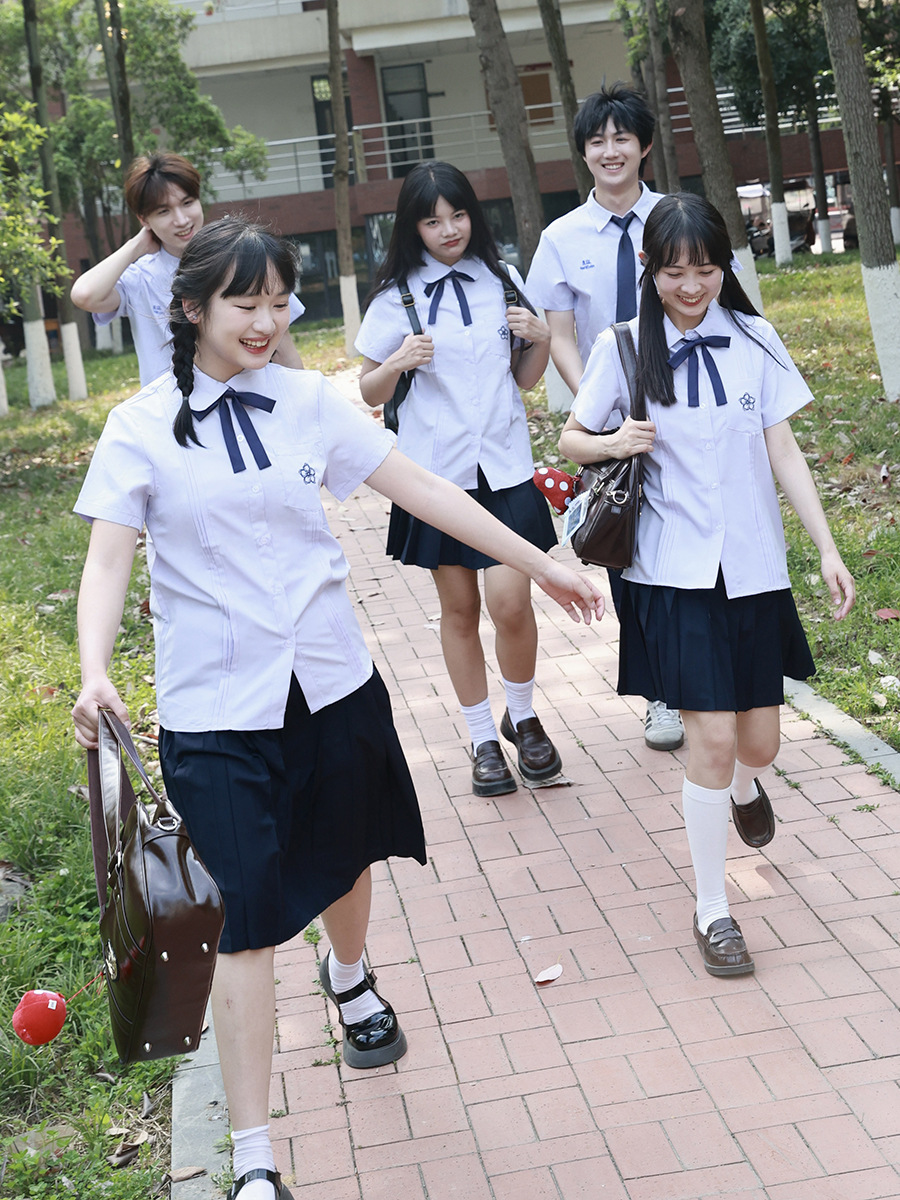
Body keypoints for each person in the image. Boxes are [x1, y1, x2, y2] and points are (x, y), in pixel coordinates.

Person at [71, 217, 603, 1200]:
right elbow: (108, 559)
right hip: (214, 707)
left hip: (328, 681)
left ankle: (349, 974)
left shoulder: (310, 403)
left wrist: (539, 562)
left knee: (346, 855)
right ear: (190, 309)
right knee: (244, 916)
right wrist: (93, 667)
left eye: (280, 302)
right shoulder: (139, 426)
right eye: (245, 303)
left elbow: (424, 486)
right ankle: (253, 1159)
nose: (267, 322)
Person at [559, 193, 854, 978]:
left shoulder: (754, 337)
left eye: (707, 269)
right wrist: (614, 441)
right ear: (649, 269)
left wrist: (826, 548)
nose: (691, 287)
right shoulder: (623, 346)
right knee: (711, 740)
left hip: (753, 571)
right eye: (674, 272)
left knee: (758, 744)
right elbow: (570, 437)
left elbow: (783, 449)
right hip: (671, 572)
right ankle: (713, 908)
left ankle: (747, 788)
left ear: (725, 267)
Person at [355, 161, 565, 799]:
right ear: (412, 228)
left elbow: (524, 378)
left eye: (458, 215)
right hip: (437, 475)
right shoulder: (396, 297)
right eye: (432, 221)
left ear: (474, 215)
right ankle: (481, 738)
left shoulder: (503, 280)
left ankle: (522, 716)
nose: (449, 229)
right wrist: (396, 362)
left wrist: (541, 339)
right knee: (460, 609)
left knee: (511, 602)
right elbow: (369, 392)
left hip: (504, 466)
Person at [527, 82, 685, 753]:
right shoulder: (560, 238)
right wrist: (597, 406)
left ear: (645, 145)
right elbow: (559, 334)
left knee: (690, 542)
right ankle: (660, 694)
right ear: (584, 153)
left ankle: (702, 672)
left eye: (623, 138)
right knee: (624, 545)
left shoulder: (677, 219)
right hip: (608, 421)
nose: (610, 150)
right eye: (597, 141)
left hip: (684, 409)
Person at [70, 152, 304, 386]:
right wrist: (137, 245)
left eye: (187, 203)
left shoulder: (241, 256)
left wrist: (304, 398)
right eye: (163, 211)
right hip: (172, 405)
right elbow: (85, 295)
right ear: (144, 219)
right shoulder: (140, 278)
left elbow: (284, 350)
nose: (181, 220)